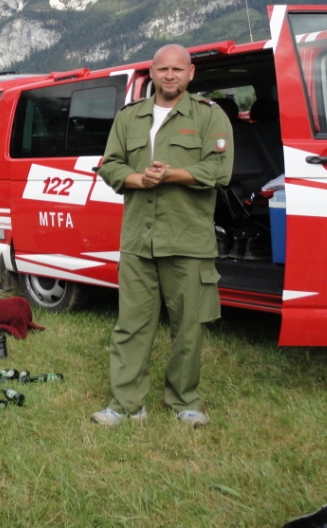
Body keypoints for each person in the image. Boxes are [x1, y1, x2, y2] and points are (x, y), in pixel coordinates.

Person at [93, 44, 233, 428]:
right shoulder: (129, 117)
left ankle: (185, 400)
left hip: (188, 239)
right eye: (162, 69)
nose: (170, 75)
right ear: (151, 73)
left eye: (177, 69)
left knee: (188, 326)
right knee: (131, 325)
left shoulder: (209, 115)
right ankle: (126, 404)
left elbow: (219, 169)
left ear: (191, 73)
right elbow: (110, 165)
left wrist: (171, 175)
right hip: (139, 241)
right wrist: (138, 179)